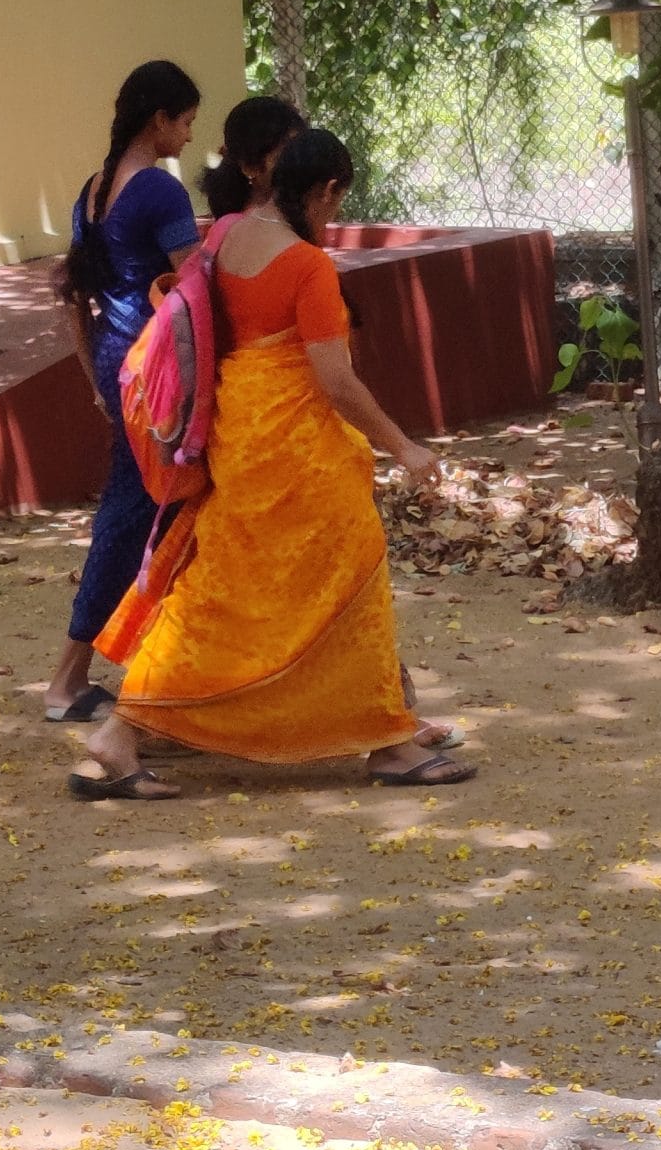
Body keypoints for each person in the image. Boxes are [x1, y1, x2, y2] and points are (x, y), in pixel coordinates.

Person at [72, 129, 473, 796]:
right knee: (351, 573)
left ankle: (125, 732)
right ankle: (388, 744)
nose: (334, 215)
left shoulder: (226, 235)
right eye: (337, 202)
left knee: (222, 591)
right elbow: (336, 381)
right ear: (325, 191)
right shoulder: (307, 266)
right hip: (299, 451)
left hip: (237, 438)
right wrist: (403, 445)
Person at [46, 60, 203, 722]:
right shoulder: (160, 193)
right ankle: (70, 679)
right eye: (186, 122)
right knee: (138, 513)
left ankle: (152, 669)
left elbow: (73, 300)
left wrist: (96, 383)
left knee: (146, 509)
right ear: (159, 120)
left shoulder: (92, 192)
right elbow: (194, 295)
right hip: (159, 371)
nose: (189, 136)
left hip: (119, 367)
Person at [199, 94, 307, 217]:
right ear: (250, 167)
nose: (300, 165)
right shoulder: (241, 224)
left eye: (302, 154)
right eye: (287, 158)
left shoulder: (292, 215)